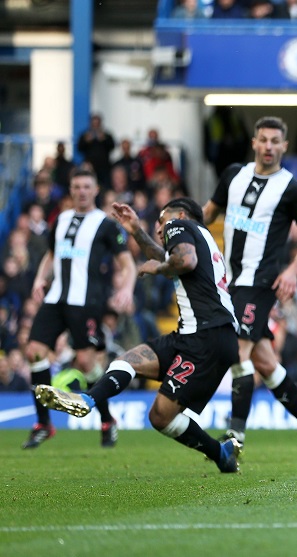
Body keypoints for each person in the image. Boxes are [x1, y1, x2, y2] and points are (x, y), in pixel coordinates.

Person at [35, 198, 244, 473]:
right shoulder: (203, 238)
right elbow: (169, 256)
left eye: (161, 220)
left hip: (206, 336)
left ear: (180, 214)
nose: (159, 228)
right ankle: (87, 400)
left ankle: (89, 401)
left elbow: (184, 260)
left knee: (161, 413)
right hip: (198, 334)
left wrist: (157, 269)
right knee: (134, 375)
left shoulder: (179, 225)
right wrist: (135, 230)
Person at [202, 116, 297, 447]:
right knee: (265, 362)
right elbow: (208, 214)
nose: (269, 146)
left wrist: (292, 270)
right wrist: (180, 229)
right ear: (254, 143)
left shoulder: (293, 190)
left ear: (284, 146)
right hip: (229, 280)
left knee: (236, 349)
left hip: (261, 282)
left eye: (275, 141)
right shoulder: (232, 175)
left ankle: (235, 436)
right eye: (263, 140)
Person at [22, 168, 136, 449]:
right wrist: (40, 278)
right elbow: (51, 255)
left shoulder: (106, 224)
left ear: (96, 189)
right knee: (34, 350)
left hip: (86, 302)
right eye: (76, 187)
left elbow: (127, 263)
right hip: (56, 299)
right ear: (70, 190)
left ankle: (107, 420)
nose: (81, 191)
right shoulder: (59, 220)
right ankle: (43, 424)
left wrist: (126, 289)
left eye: (87, 186)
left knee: (87, 364)